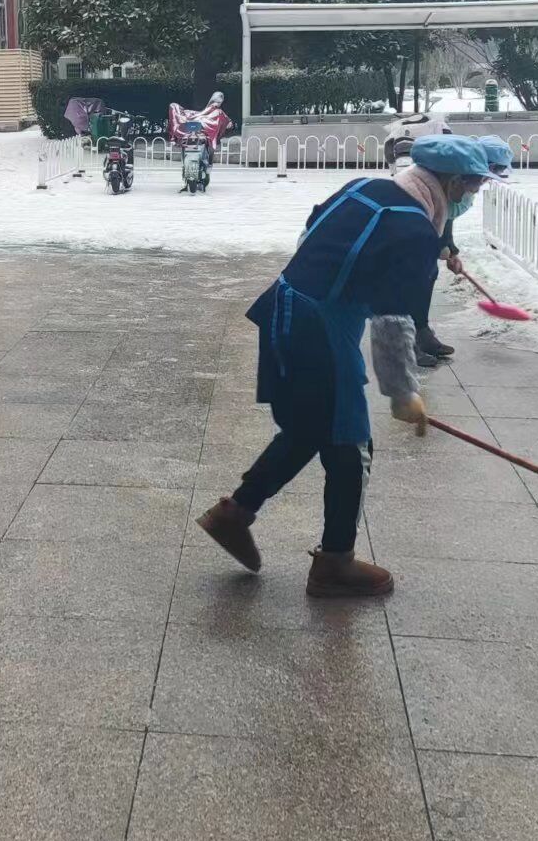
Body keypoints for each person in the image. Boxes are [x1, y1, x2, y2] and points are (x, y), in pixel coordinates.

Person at [195, 136, 496, 597]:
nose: (473, 196)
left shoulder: (364, 188)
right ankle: (335, 562)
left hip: (286, 307)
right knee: (351, 443)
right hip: (319, 331)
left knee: (313, 429)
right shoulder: (415, 232)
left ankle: (233, 514)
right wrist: (402, 394)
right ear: (453, 183)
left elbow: (316, 237)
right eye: (473, 186)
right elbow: (394, 322)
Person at [414, 134, 514, 367]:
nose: (489, 181)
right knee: (412, 284)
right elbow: (438, 212)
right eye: (494, 172)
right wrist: (439, 245)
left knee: (427, 277)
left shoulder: (463, 183)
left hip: (433, 231)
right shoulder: (449, 180)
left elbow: (447, 216)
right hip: (419, 233)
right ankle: (407, 342)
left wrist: (451, 248)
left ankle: (422, 333)